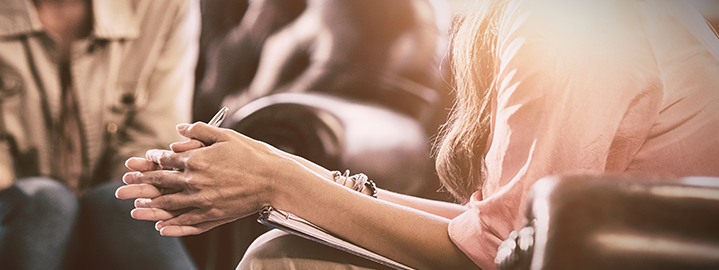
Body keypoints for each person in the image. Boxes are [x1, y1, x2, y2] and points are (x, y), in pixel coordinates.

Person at [115, 0, 719, 269]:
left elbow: (500, 254)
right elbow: (497, 228)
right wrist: (303, 178)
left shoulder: (569, 22)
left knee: (287, 262)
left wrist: (280, 180)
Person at [0, 0, 199, 269]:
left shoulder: (165, 5)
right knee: (45, 205)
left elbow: (149, 149)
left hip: (108, 214)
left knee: (124, 204)